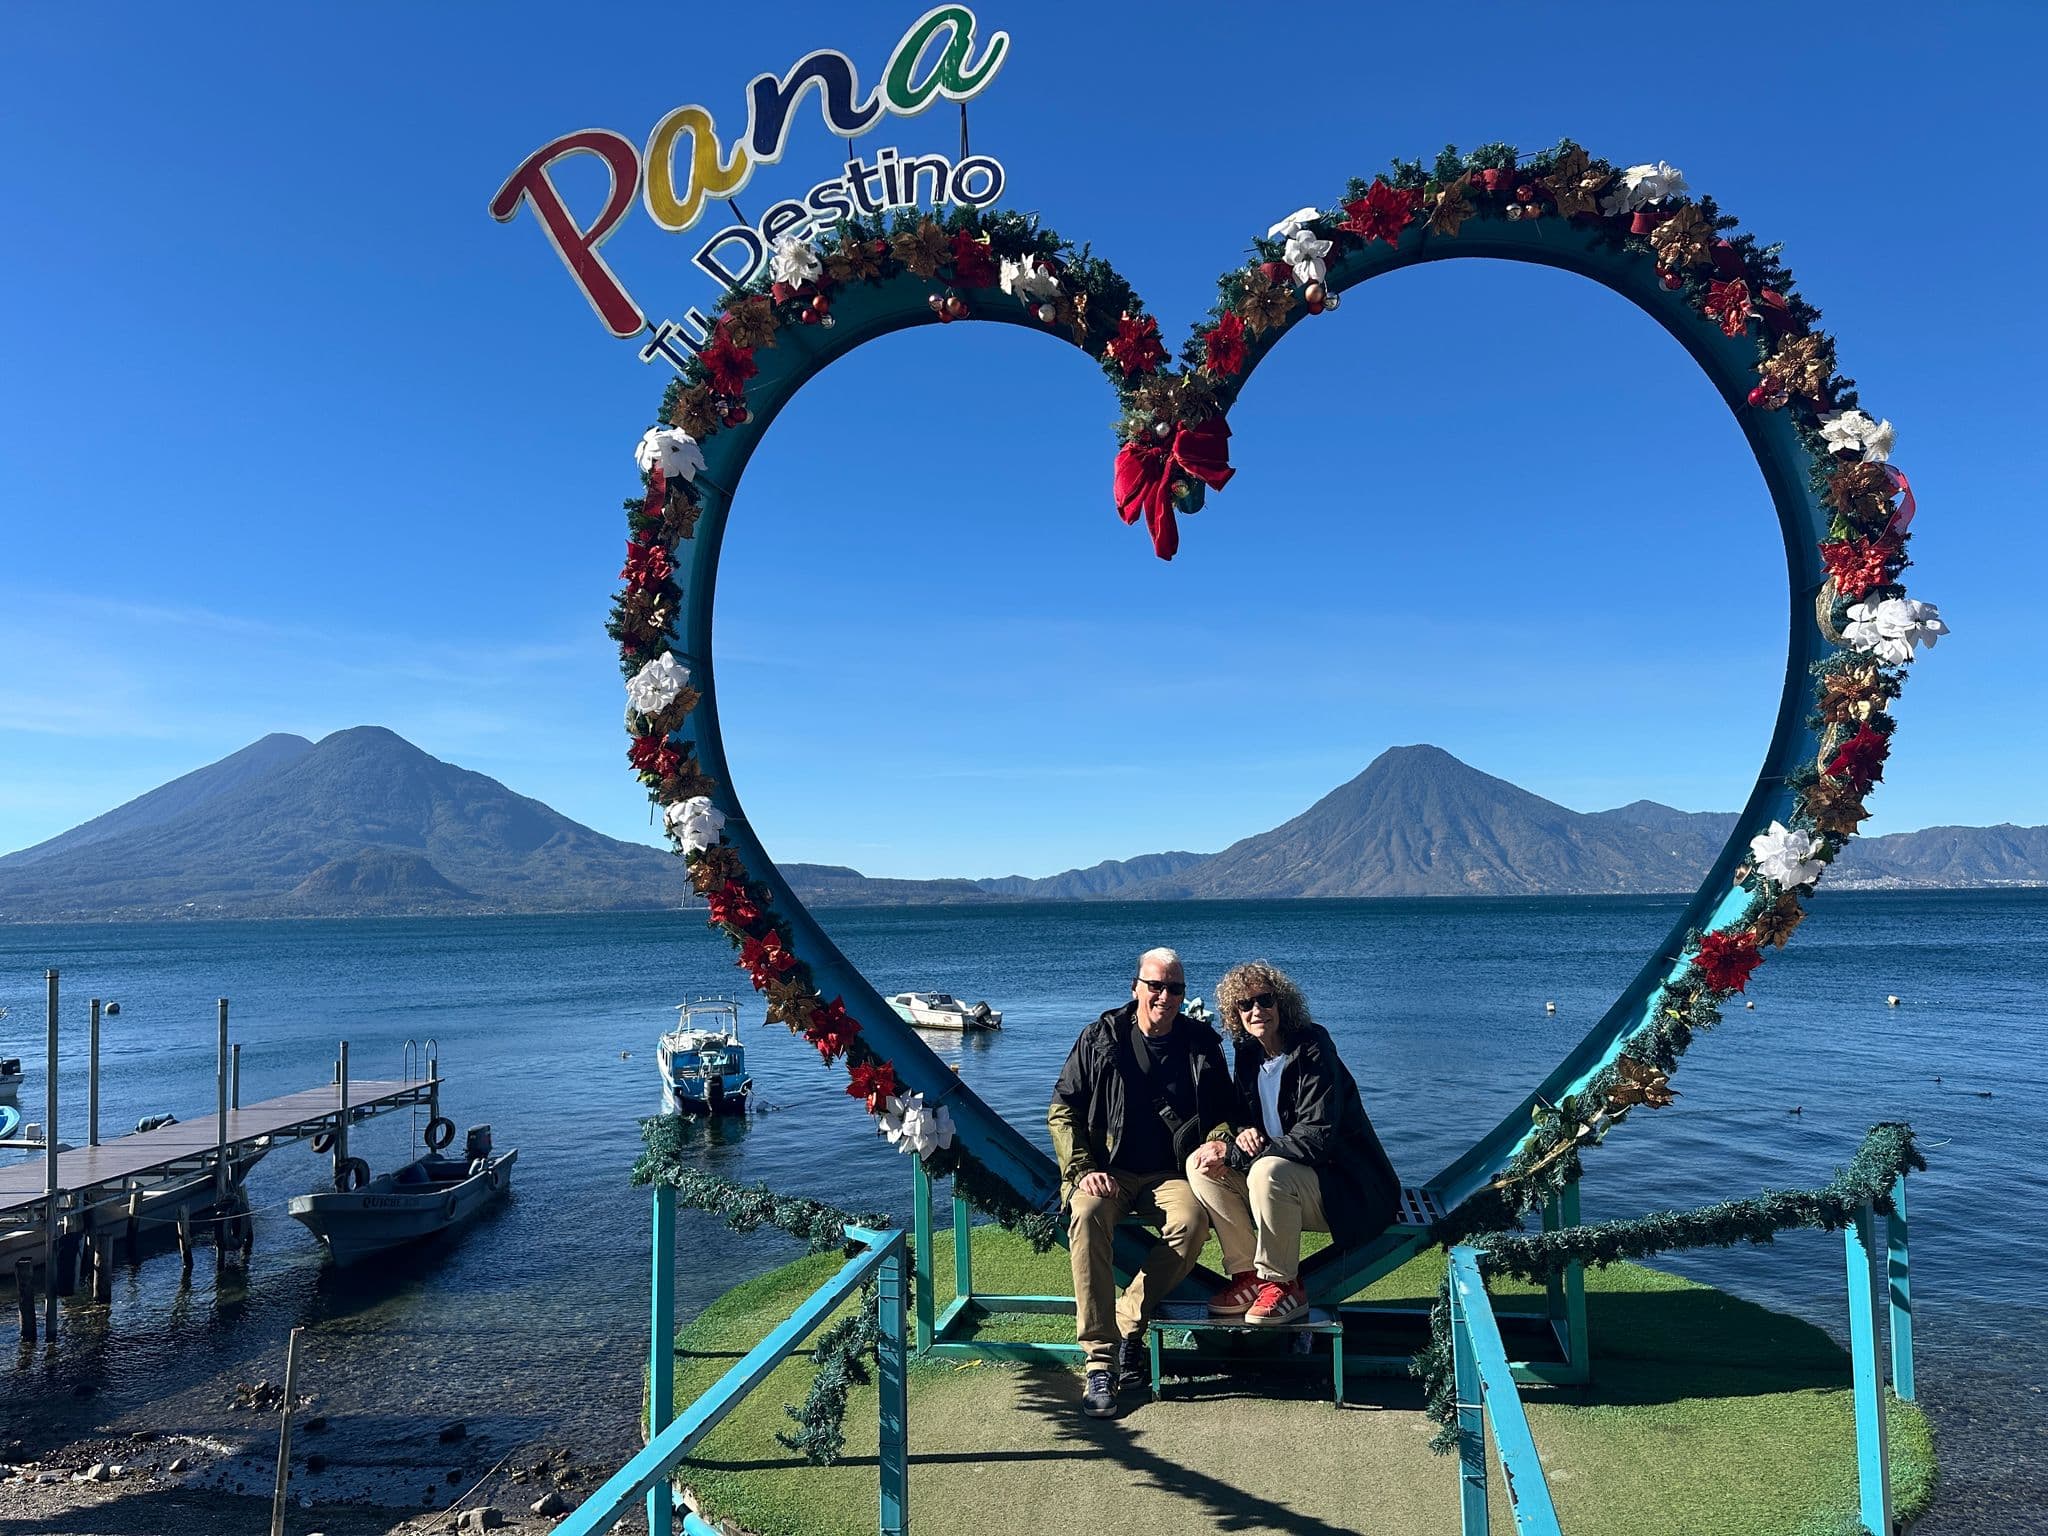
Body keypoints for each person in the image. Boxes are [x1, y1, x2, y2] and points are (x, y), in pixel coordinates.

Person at [1049, 946, 1236, 1418]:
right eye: (1156, 986)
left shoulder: (1201, 1044)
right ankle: (1099, 1360)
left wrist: (1218, 1141)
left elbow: (1223, 1113)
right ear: (1135, 988)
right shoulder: (1099, 1038)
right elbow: (1062, 1110)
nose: (1165, 997)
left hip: (1169, 1174)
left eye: (1175, 989)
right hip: (1106, 1170)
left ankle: (1127, 1323)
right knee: (1087, 1216)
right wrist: (1081, 1169)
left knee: (1192, 1223)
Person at [1186, 961, 1401, 1326]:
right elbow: (1242, 1112)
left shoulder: (1313, 1048)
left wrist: (1238, 1152)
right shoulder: (1249, 1054)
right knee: (1202, 1165)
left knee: (1267, 1171)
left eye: (1265, 1000)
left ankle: (1283, 1285)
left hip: (1343, 1188)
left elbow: (1316, 1137)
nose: (1257, 1010)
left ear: (1281, 1003)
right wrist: (1237, 1132)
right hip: (1286, 1185)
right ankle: (1248, 1277)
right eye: (1245, 1004)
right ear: (1235, 1013)